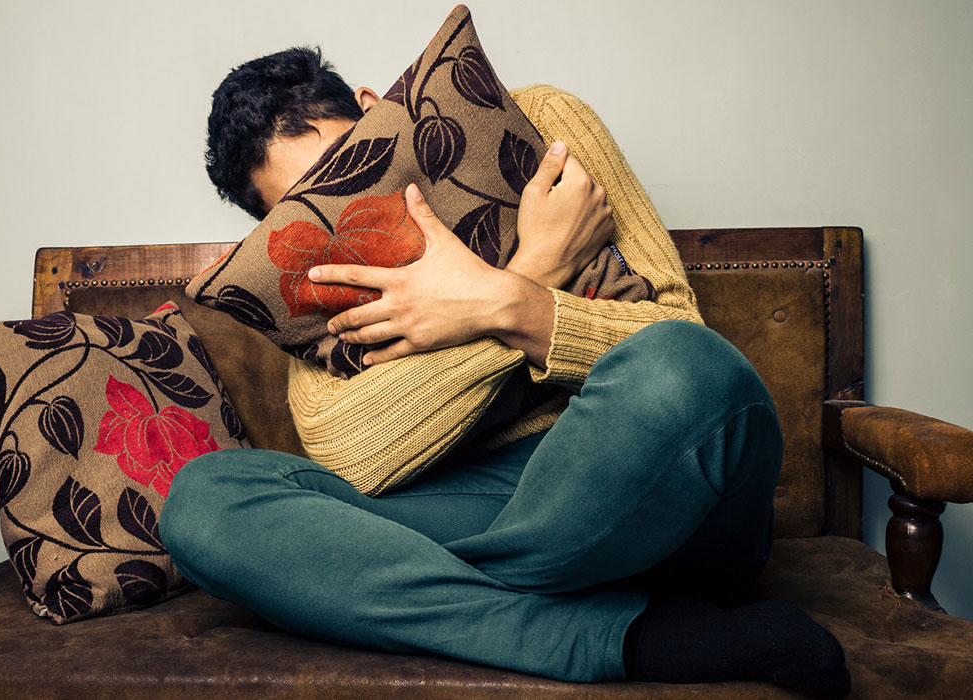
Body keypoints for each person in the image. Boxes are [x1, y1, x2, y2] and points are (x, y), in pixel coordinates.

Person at [161, 46, 851, 698]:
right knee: (204, 502)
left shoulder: (536, 123)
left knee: (692, 370)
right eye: (306, 208)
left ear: (377, 112)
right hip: (486, 511)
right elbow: (355, 453)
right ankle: (635, 636)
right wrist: (528, 279)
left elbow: (675, 339)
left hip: (641, 484)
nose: (345, 210)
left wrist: (489, 305)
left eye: (343, 167)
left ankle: (375, 596)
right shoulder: (305, 286)